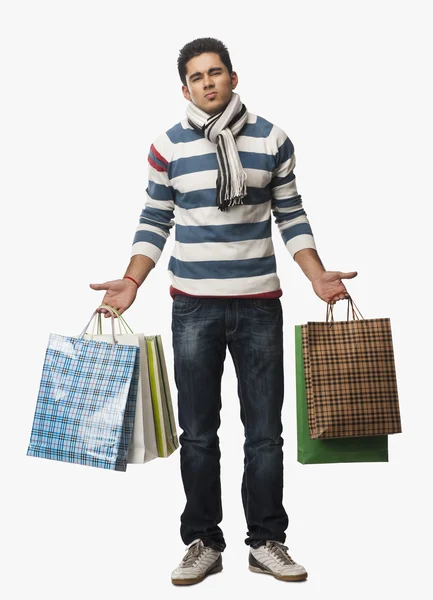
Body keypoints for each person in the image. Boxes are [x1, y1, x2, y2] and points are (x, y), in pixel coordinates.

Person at [90, 37, 357, 586]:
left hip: (259, 306)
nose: (207, 82)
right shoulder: (167, 146)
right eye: (196, 76)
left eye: (216, 72)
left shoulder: (272, 139)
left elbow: (291, 214)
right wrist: (133, 281)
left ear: (234, 78)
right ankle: (202, 541)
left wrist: (316, 275)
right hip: (193, 308)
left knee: (264, 434)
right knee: (198, 432)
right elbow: (154, 218)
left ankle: (267, 542)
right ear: (184, 87)